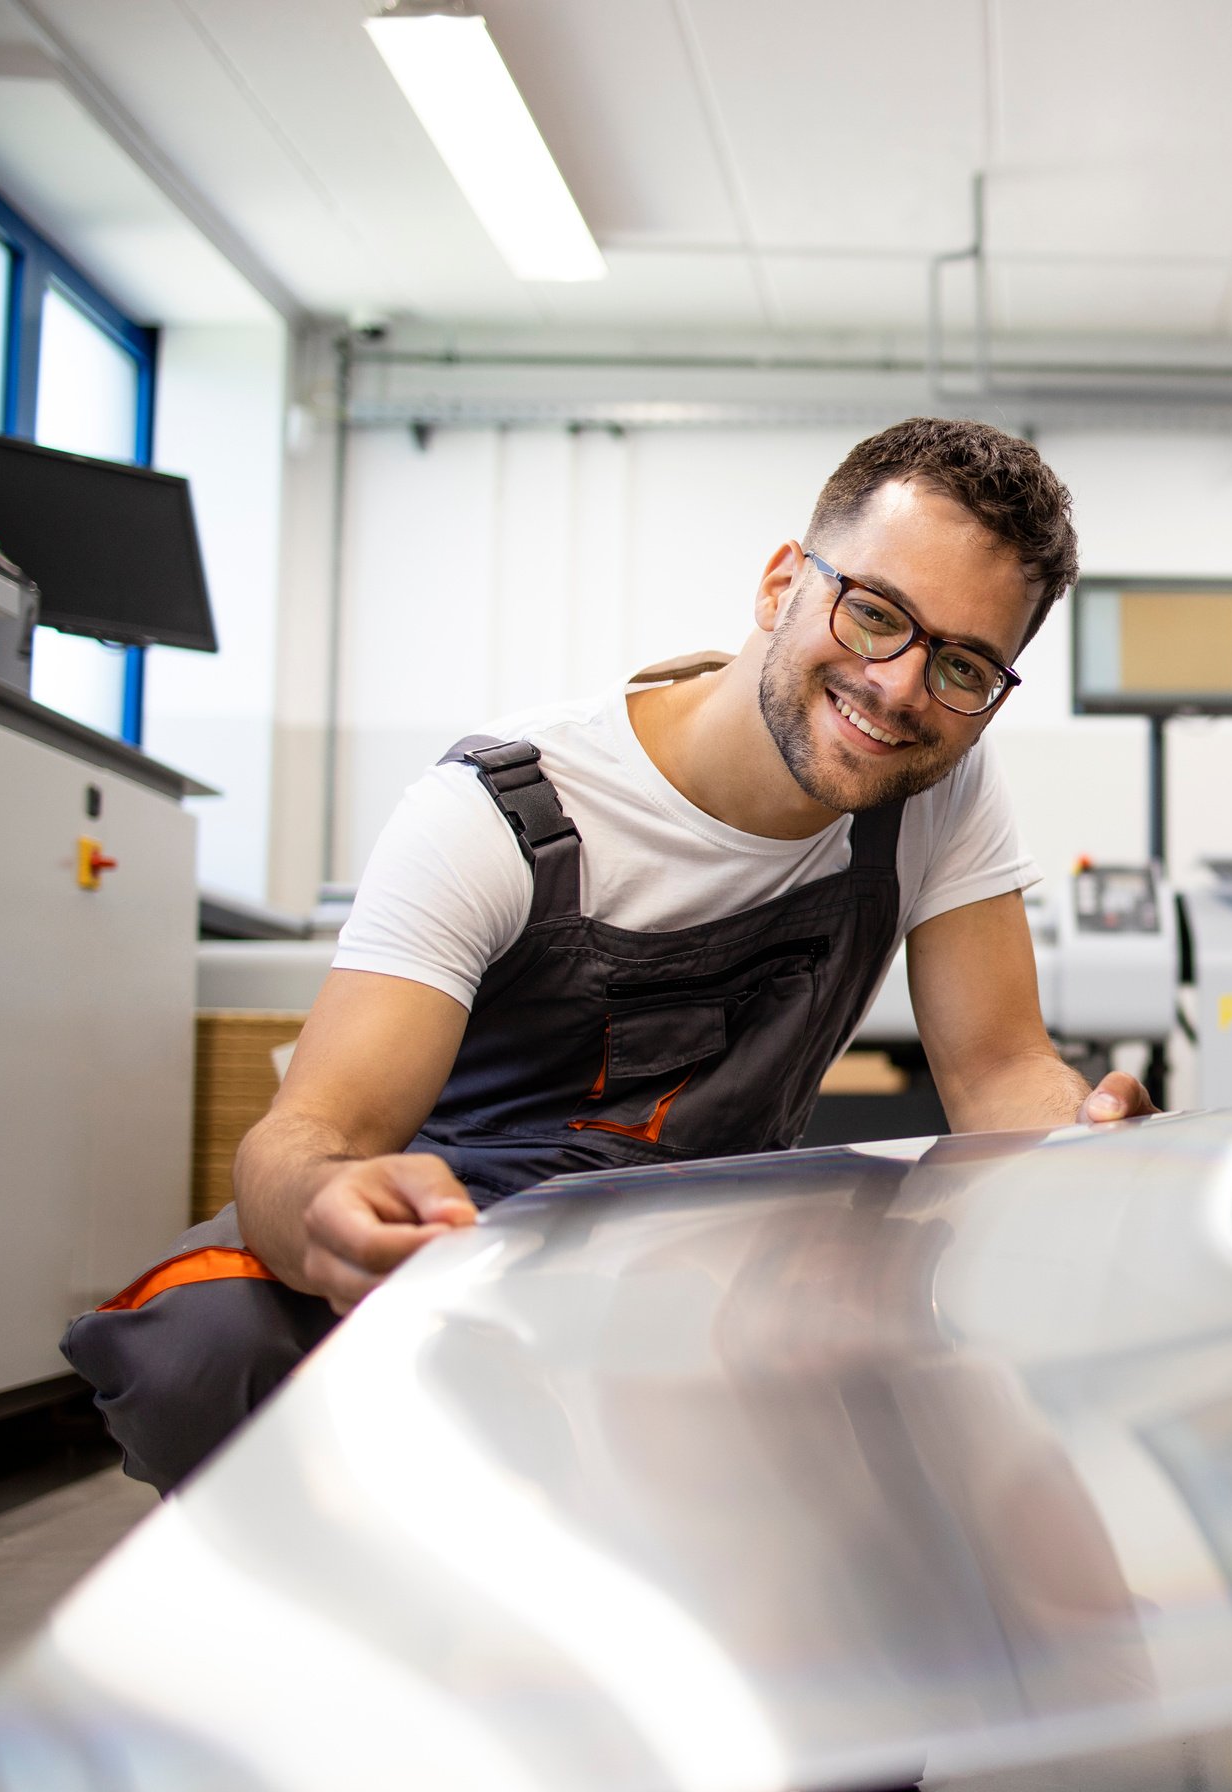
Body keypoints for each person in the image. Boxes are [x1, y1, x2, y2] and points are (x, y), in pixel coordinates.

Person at [64, 417, 1156, 1491]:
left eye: (965, 666)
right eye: (876, 614)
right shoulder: (495, 813)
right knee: (206, 1347)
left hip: (713, 1247)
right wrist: (330, 1216)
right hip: (467, 1241)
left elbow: (1000, 1069)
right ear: (783, 585)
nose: (902, 686)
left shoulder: (939, 790)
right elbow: (306, 1136)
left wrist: (1083, 1145)